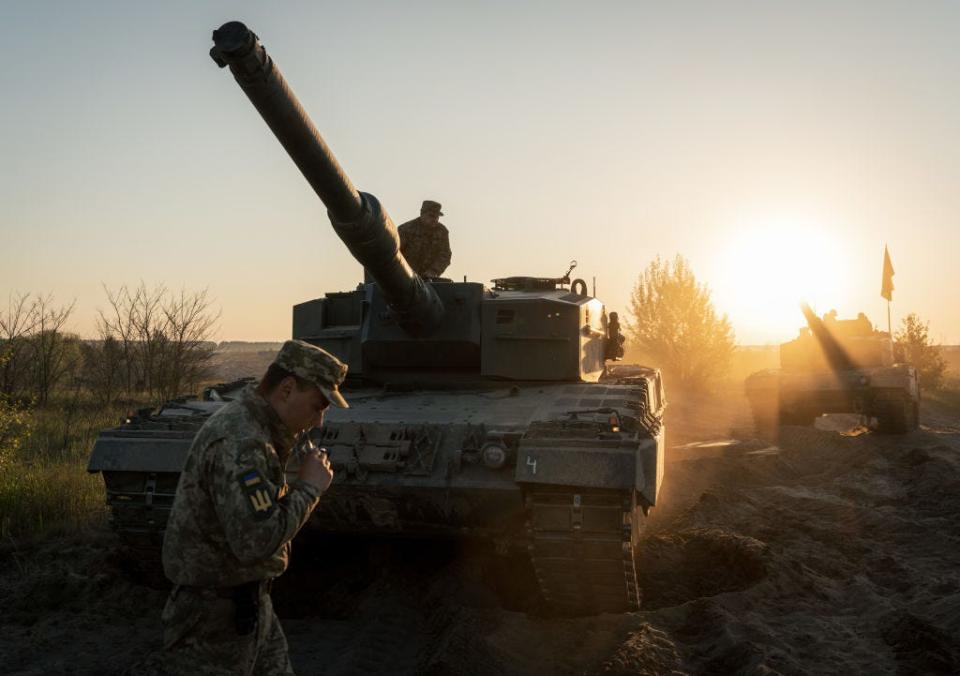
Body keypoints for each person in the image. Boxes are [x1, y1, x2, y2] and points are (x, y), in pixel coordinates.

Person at [141, 339, 348, 675]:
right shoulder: (243, 443)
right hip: (213, 619)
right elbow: (255, 541)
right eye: (318, 405)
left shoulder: (260, 432)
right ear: (287, 389)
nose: (320, 420)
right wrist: (309, 488)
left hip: (247, 603)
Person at [397, 199, 452, 278]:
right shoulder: (406, 229)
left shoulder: (442, 232)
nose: (434, 219)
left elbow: (445, 255)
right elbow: (395, 252)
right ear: (422, 214)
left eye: (437, 217)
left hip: (428, 278)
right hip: (405, 276)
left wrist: (434, 271)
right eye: (431, 216)